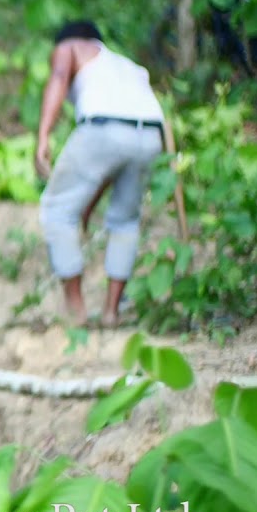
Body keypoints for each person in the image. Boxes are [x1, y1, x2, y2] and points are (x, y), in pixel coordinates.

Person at [34, 20, 166, 328]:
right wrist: (87, 208)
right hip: (150, 135)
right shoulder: (127, 67)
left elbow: (58, 77)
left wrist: (43, 136)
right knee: (125, 221)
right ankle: (111, 312)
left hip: (103, 128)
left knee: (56, 210)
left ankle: (75, 312)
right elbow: (109, 167)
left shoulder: (70, 46)